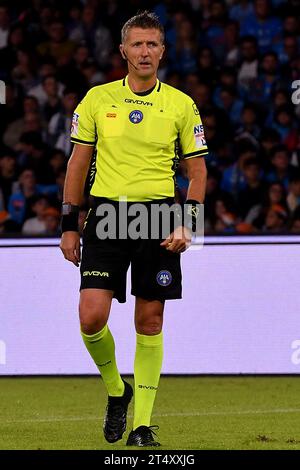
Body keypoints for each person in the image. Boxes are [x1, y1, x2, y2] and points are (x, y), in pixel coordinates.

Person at [60, 11, 207, 447]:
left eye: (153, 44)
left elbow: (197, 172)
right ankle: (116, 391)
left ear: (163, 50)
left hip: (159, 217)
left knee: (150, 321)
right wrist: (70, 224)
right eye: (137, 44)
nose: (145, 52)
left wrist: (189, 223)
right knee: (91, 317)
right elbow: (77, 164)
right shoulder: (96, 99)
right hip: (106, 215)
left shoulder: (181, 104)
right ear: (123, 50)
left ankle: (142, 427)